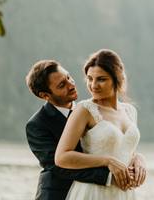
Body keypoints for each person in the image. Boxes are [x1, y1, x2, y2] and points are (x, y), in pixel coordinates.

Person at [25, 59, 145, 200]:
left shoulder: (90, 108)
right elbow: (59, 167)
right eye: (62, 85)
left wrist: (137, 157)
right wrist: (110, 177)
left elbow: (110, 143)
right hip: (59, 194)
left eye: (68, 77)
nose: (71, 85)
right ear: (45, 95)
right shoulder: (37, 124)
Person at [55, 49, 146, 200]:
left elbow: (124, 149)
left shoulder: (130, 111)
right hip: (93, 192)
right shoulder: (84, 110)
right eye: (90, 79)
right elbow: (61, 157)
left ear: (118, 79)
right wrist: (107, 161)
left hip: (124, 193)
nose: (93, 85)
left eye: (101, 79)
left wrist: (139, 159)